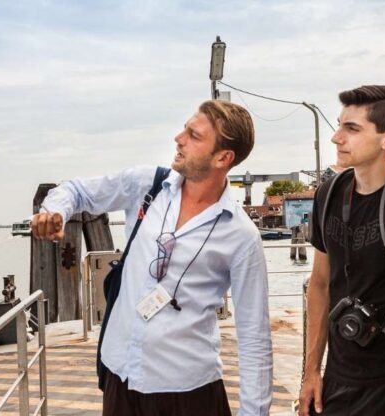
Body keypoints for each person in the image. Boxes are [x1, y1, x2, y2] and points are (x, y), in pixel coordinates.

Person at [32, 100, 273, 416]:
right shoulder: (148, 185)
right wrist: (55, 212)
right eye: (185, 129)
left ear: (223, 157)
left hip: (188, 393)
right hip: (122, 377)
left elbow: (254, 336)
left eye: (193, 135)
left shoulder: (241, 234)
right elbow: (77, 191)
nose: (178, 138)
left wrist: (254, 412)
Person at [298, 85, 385, 415]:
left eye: (352, 129)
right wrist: (311, 373)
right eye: (339, 125)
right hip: (336, 380)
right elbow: (320, 284)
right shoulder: (329, 194)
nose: (337, 138)